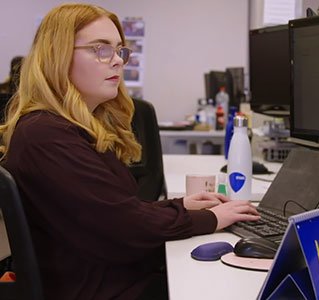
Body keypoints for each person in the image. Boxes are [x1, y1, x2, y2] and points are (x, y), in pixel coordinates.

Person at [0, 4, 259, 300]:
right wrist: (212, 219)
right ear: (57, 56)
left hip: (110, 278)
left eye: (120, 50)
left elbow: (115, 209)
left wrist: (183, 205)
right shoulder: (46, 135)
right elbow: (125, 226)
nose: (117, 62)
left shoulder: (71, 128)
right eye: (101, 49)